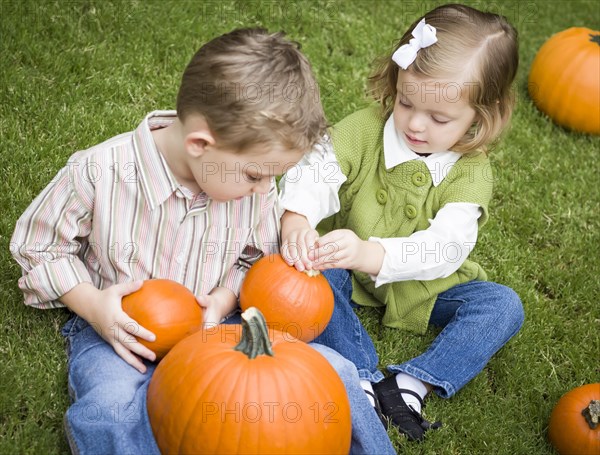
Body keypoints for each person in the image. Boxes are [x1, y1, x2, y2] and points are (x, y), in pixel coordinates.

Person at [10, 28, 394, 454]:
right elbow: (39, 246)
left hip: (221, 327)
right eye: (255, 174)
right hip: (121, 330)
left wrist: (226, 298)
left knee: (334, 372)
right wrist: (94, 306)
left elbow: (254, 257)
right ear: (199, 144)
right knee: (110, 405)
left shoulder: (254, 190)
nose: (266, 187)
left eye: (273, 176)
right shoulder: (100, 173)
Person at [280, 3, 525, 442]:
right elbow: (317, 170)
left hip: (427, 289)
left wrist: (374, 253)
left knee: (502, 306)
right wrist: (297, 217)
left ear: (481, 116)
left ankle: (412, 383)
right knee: (312, 274)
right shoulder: (365, 130)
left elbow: (447, 247)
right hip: (347, 268)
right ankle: (361, 378)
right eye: (406, 101)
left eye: (439, 118)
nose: (413, 122)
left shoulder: (470, 173)